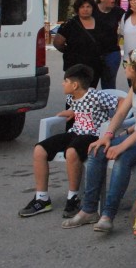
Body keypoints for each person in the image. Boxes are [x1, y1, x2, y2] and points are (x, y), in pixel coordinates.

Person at [63, 48, 136, 233]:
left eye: (126, 63)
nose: (124, 67)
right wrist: (107, 136)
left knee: (123, 156)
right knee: (96, 150)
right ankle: (89, 209)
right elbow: (121, 112)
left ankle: (108, 214)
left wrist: (121, 145)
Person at [18, 64, 117, 219]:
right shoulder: (72, 97)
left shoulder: (96, 96)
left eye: (65, 81)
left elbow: (123, 101)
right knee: (39, 150)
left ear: (75, 85)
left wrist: (114, 120)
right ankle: (42, 198)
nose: (63, 84)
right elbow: (79, 108)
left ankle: (73, 198)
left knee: (71, 152)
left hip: (93, 136)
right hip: (75, 133)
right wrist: (73, 111)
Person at [52, 0, 103, 87]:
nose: (85, 9)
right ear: (77, 9)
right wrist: (69, 51)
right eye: (82, 7)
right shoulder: (69, 24)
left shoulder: (100, 24)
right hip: (74, 65)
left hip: (94, 65)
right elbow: (58, 43)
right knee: (74, 91)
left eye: (88, 7)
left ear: (93, 8)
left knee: (90, 91)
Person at [93, 0, 124, 89]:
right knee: (90, 83)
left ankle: (109, 104)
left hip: (112, 53)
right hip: (94, 53)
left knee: (109, 84)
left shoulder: (118, 11)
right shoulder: (92, 11)